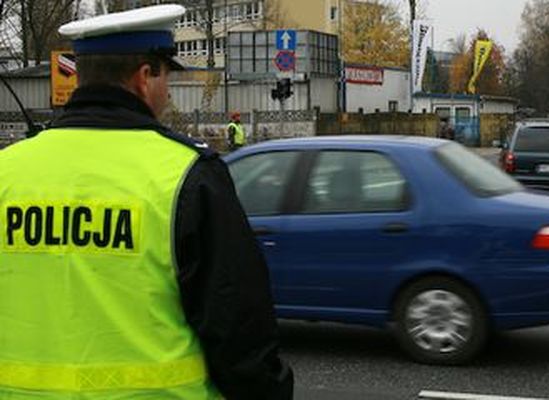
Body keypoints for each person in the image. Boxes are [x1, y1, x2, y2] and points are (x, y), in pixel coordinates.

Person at [0, 5, 293, 400]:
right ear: (144, 77)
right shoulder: (189, 174)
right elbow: (239, 331)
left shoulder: (8, 170)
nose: (168, 91)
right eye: (166, 76)